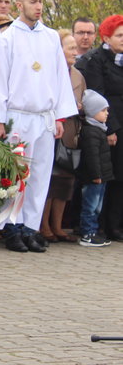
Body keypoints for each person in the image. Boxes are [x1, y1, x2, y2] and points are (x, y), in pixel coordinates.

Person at [0, 0, 77, 252]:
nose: (38, 7)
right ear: (20, 5)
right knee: (13, 175)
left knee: (40, 175)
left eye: (40, 1)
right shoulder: (8, 38)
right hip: (16, 115)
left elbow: (60, 78)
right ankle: (11, 227)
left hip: (43, 116)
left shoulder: (51, 37)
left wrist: (60, 117)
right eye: (32, 2)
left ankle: (31, 227)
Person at [76, 14, 123, 240]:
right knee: (106, 176)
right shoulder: (96, 60)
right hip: (107, 125)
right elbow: (98, 96)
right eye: (120, 35)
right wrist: (111, 128)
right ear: (106, 37)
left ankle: (116, 223)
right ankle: (102, 225)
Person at [40, 29, 84, 242]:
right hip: (51, 130)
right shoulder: (49, 71)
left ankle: (58, 226)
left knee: (66, 181)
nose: (76, 51)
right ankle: (43, 224)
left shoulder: (77, 75)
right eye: (71, 47)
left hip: (70, 134)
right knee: (49, 181)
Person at [77, 90, 113, 247]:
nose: (106, 114)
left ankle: (94, 231)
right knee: (90, 206)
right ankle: (87, 234)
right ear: (92, 112)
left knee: (97, 206)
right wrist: (96, 175)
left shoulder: (99, 130)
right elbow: (92, 157)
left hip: (102, 176)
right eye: (103, 110)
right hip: (94, 177)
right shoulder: (90, 132)